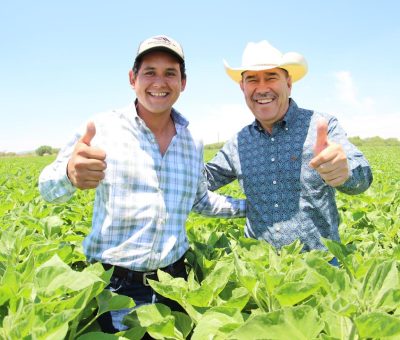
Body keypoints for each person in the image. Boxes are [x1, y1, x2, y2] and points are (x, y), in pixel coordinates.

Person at [38, 35, 246, 332]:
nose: (159, 82)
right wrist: (70, 175)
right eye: (150, 72)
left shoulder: (192, 140)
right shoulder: (102, 127)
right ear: (132, 78)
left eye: (170, 73)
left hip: (174, 284)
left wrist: (251, 208)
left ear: (182, 83)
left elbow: (201, 200)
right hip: (115, 285)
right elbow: (47, 188)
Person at [205, 40, 372, 258]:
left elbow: (363, 177)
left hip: (320, 269)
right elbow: (201, 181)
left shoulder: (321, 125)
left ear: (289, 83)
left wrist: (345, 171)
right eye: (252, 79)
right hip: (261, 271)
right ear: (242, 87)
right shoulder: (239, 143)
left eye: (271, 77)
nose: (262, 88)